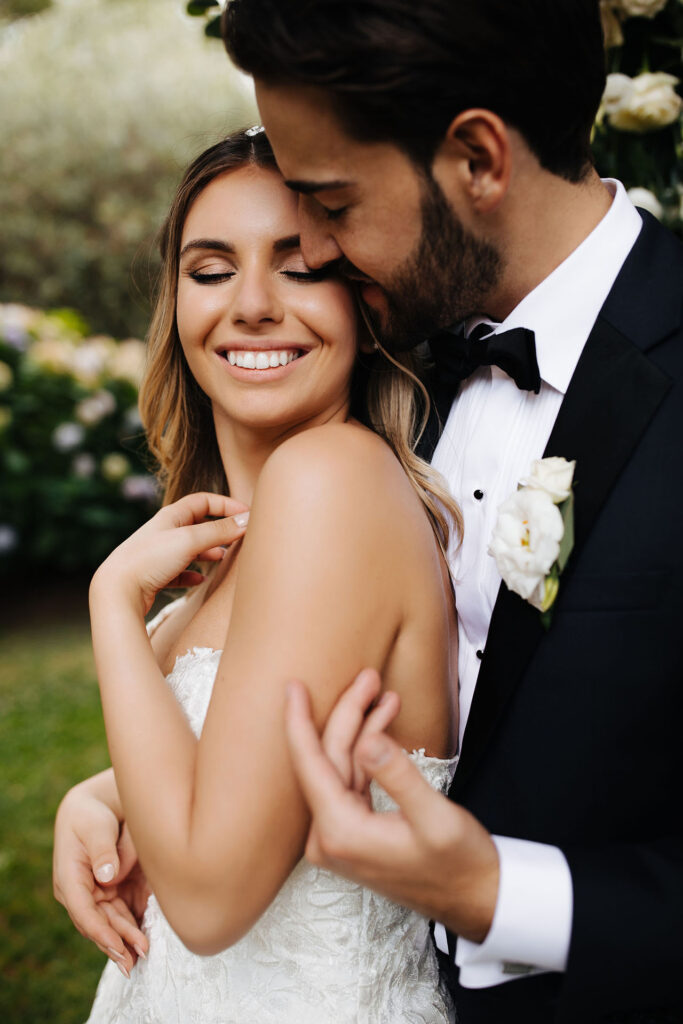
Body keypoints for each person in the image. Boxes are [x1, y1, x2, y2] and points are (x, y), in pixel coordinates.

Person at [226, 2, 682, 1023]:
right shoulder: (378, 364)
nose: (304, 247)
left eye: (329, 201)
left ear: (477, 157)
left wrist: (493, 895)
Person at [56, 127, 464, 1023]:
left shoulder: (335, 484)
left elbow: (206, 900)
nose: (250, 305)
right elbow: (227, 773)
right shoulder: (235, 553)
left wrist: (112, 607)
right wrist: (97, 797)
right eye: (209, 270)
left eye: (299, 266)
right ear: (176, 304)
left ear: (362, 300)